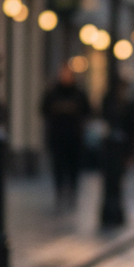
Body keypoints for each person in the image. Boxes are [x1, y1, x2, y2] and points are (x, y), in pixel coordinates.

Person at [40, 64, 91, 209]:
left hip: (75, 137)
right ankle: (60, 191)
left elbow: (88, 111)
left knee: (74, 165)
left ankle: (73, 191)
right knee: (58, 165)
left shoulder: (79, 93)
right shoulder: (52, 92)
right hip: (57, 136)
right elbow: (44, 109)